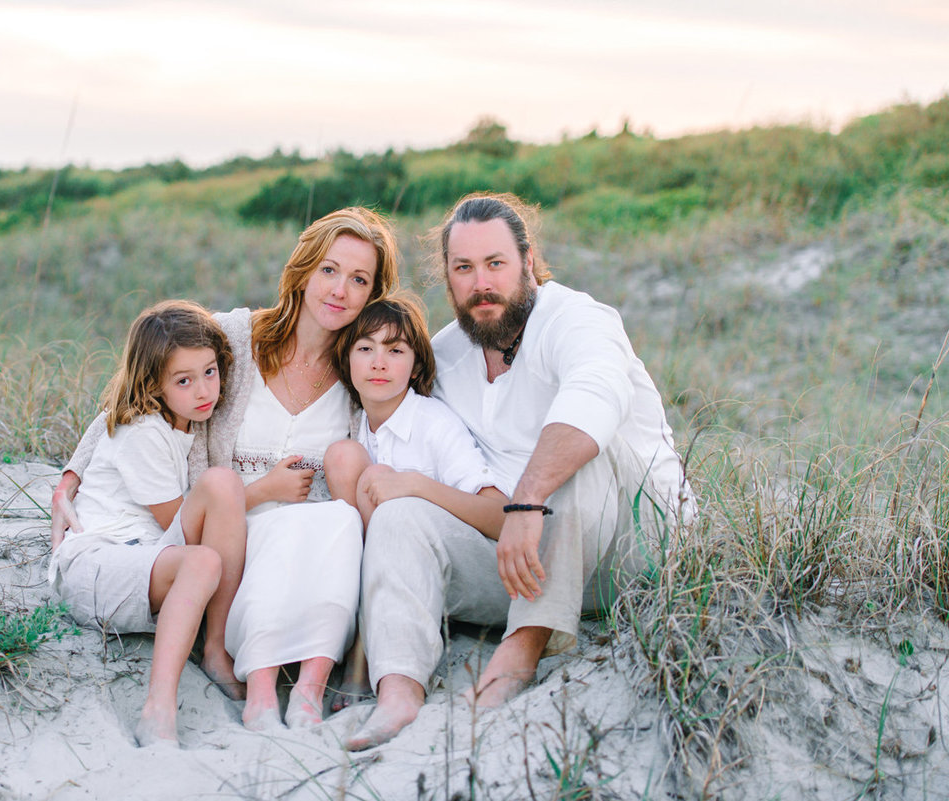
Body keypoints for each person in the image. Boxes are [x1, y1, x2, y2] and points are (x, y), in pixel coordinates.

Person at [346, 193, 694, 751]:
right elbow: (383, 398)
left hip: (631, 551)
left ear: (528, 263)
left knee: (577, 451)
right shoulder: (448, 355)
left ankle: (521, 649)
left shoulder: (576, 319)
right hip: (520, 563)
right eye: (464, 268)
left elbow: (595, 397)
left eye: (495, 263)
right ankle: (400, 689)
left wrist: (529, 499)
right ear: (449, 277)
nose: (481, 282)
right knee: (402, 514)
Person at [52, 207, 400, 732]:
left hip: (311, 540)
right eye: (329, 270)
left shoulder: (364, 366)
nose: (340, 290)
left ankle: (315, 681)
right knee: (275, 542)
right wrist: (70, 477)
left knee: (336, 528)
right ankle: (250, 678)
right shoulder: (237, 337)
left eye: (359, 279)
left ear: (373, 293)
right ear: (303, 270)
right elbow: (144, 390)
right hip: (229, 535)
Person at [48, 300, 247, 746]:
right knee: (207, 544)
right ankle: (158, 708)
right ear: (153, 383)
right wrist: (263, 491)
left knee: (213, 521)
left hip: (138, 559)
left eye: (210, 372)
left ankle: (215, 650)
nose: (204, 390)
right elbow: (180, 521)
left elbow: (105, 419)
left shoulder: (184, 423)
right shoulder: (143, 432)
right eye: (184, 380)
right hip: (94, 564)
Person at [322, 292, 508, 709]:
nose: (378, 362)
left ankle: (367, 652)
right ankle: (357, 634)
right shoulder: (354, 424)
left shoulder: (434, 423)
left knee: (377, 478)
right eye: (365, 349)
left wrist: (417, 486)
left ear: (416, 364)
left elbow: (500, 519)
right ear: (346, 360)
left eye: (395, 350)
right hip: (394, 575)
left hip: (472, 573)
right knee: (343, 457)